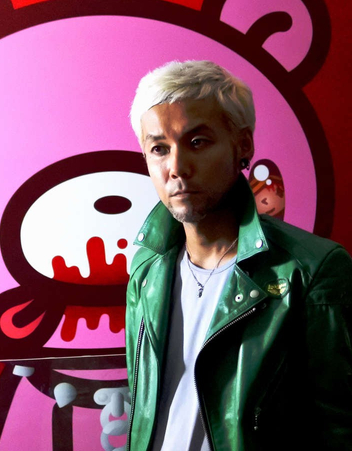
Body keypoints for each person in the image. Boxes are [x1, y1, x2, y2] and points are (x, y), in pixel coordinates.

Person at [125, 60, 352, 451]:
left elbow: (341, 430)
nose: (176, 167)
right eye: (159, 148)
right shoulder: (147, 269)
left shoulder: (310, 271)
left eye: (198, 142)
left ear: (243, 145)